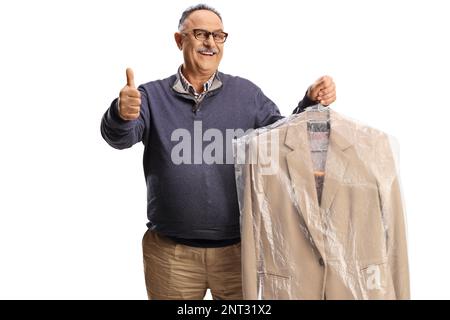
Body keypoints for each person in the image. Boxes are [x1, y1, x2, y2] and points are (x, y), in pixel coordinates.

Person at [100, 3, 336, 300]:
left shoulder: (246, 95)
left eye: (218, 35)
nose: (210, 43)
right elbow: (119, 138)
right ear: (179, 40)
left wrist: (309, 103)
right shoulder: (151, 96)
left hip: (239, 252)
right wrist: (121, 114)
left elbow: (282, 140)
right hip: (171, 256)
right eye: (200, 34)